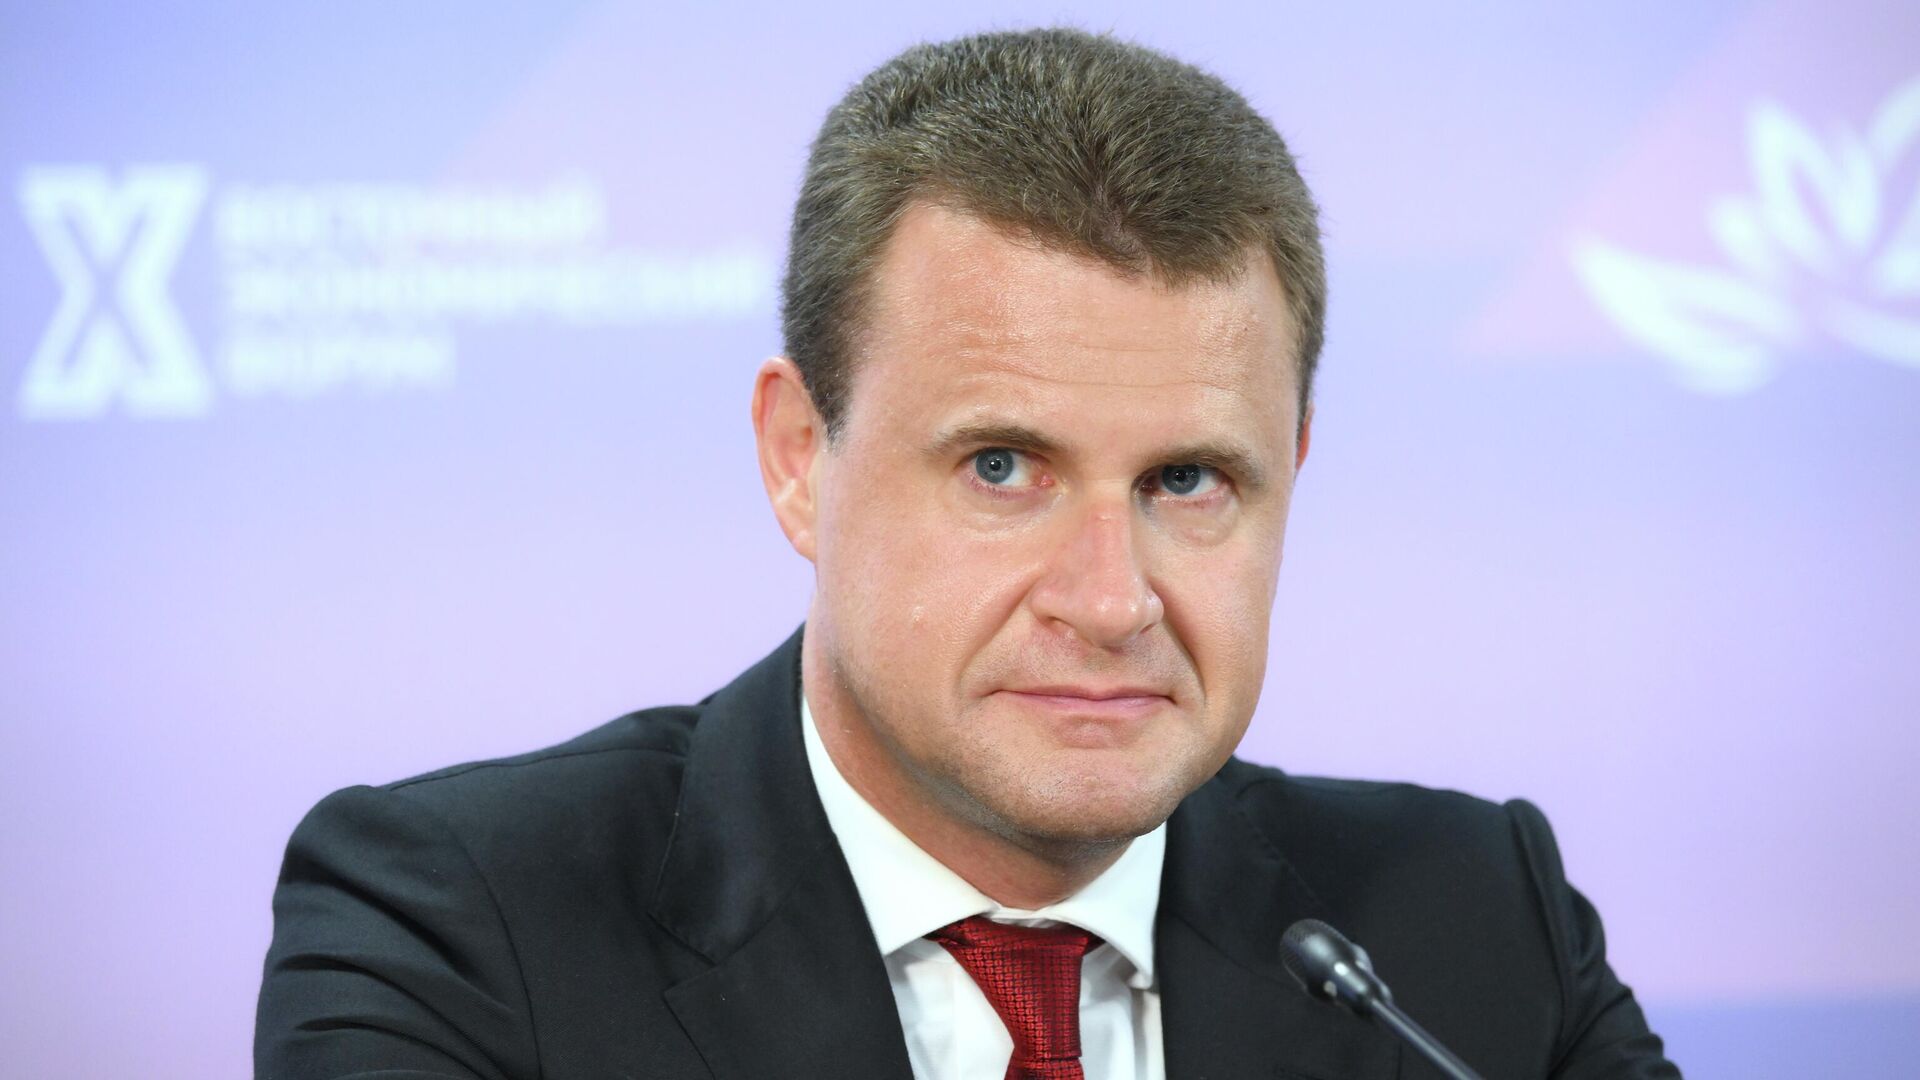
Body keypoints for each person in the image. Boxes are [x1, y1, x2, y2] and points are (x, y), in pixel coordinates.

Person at [256, 28, 1681, 1080]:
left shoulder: (1472, 925)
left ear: (1291, 473)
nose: (1111, 599)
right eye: (1002, 467)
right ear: (799, 458)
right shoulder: (459, 928)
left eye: (1187, 480)